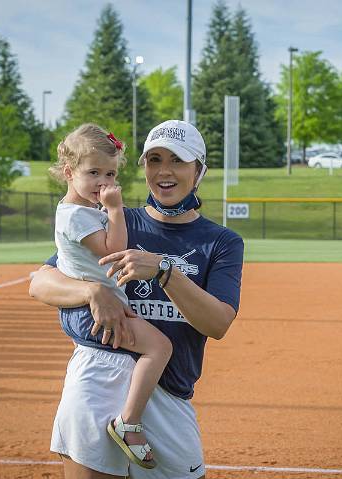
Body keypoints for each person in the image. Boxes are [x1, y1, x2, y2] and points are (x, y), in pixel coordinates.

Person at [29, 119, 244, 479]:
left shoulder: (221, 242)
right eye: (154, 159)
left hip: (167, 396)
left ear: (199, 170)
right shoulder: (114, 220)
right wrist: (91, 291)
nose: (164, 171)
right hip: (98, 382)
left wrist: (164, 271)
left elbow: (218, 323)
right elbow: (40, 283)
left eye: (178, 160)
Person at [49, 123, 172, 469]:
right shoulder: (76, 216)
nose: (103, 182)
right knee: (159, 347)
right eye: (93, 173)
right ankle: (128, 422)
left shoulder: (82, 211)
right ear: (69, 173)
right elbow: (114, 249)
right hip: (95, 309)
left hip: (97, 303)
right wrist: (116, 209)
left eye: (111, 173)